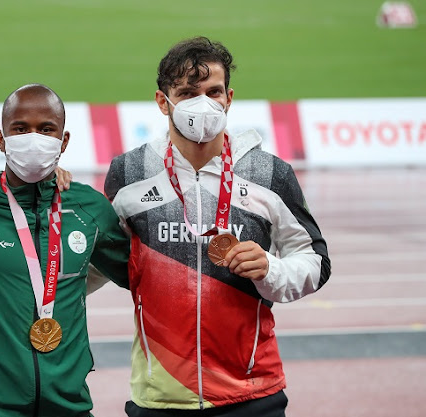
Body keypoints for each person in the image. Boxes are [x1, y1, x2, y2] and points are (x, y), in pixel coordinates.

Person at [104, 37, 331, 416]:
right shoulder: (128, 173)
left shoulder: (269, 174)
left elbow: (315, 263)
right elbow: (100, 258)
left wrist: (271, 269)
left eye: (213, 92)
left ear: (229, 98)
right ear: (164, 102)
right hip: (160, 396)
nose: (203, 104)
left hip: (252, 393)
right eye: (188, 93)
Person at [0, 84, 130, 417]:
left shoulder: (89, 208)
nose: (34, 138)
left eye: (46, 129)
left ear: (64, 140)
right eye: (20, 129)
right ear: (1, 139)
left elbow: (143, 277)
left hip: (70, 407)